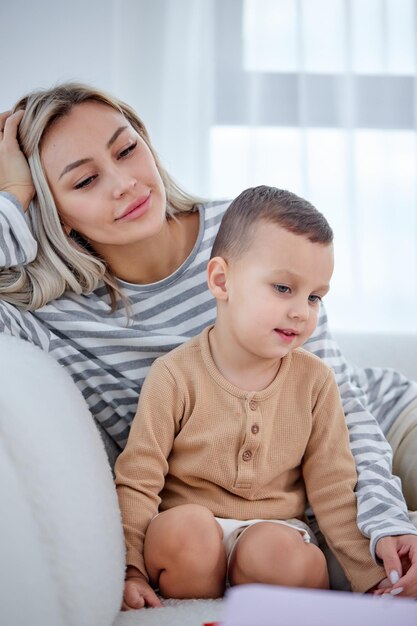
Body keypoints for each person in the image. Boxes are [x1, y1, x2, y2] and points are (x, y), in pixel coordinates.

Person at [0, 82, 416, 596]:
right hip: (262, 518)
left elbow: (344, 411)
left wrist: (387, 521)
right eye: (85, 180)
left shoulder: (246, 231)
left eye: (127, 149)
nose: (125, 183)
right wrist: (13, 200)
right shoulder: (49, 314)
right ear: (51, 208)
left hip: (380, 431)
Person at [115, 185, 388, 609]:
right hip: (193, 532)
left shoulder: (315, 382)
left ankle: (266, 599)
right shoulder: (173, 375)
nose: (302, 311)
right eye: (283, 288)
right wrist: (131, 568)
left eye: (315, 296)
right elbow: (138, 479)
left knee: (274, 551)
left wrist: (370, 579)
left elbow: (334, 485)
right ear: (222, 281)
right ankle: (200, 602)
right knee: (185, 530)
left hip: (273, 529)